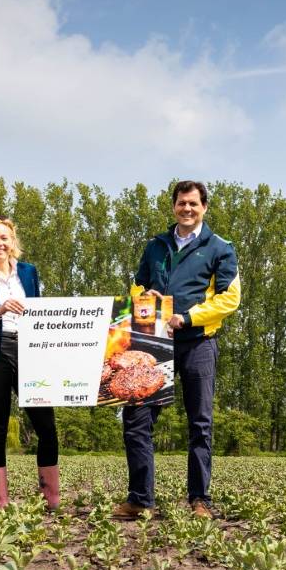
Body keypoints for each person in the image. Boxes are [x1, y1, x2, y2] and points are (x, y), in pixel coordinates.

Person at [114, 180, 241, 520]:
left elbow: (230, 298)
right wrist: (145, 298)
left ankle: (200, 499)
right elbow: (138, 284)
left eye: (193, 204)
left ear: (204, 208)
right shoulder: (155, 245)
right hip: (153, 342)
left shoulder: (220, 248)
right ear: (174, 206)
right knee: (137, 417)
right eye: (182, 203)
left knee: (200, 422)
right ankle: (140, 499)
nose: (187, 209)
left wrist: (187, 317)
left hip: (198, 342)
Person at [0, 216, 60, 510]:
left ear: (12, 242)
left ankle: (51, 500)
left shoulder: (29, 272)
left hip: (30, 352)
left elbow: (40, 310)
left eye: (4, 238)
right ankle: (1, 502)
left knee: (46, 426)